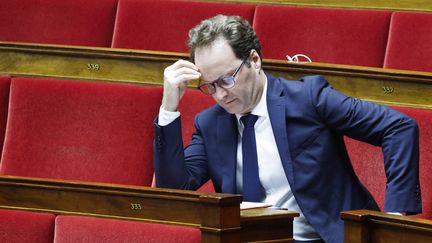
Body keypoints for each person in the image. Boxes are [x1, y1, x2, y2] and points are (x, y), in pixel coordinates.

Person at [153, 15, 421, 243]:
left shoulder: (309, 98)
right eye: (209, 85)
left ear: (254, 60)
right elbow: (174, 192)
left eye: (226, 80)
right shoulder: (210, 123)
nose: (220, 95)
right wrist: (169, 108)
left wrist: (394, 218)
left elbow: (398, 128)